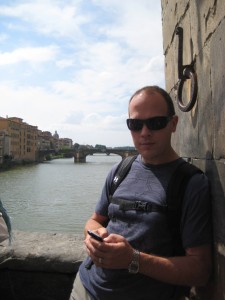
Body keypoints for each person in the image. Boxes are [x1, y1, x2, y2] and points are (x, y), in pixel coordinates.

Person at [70, 86, 212, 300]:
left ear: (173, 124)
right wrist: (94, 237)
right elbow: (94, 221)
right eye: (135, 124)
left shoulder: (191, 183)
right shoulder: (120, 170)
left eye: (155, 123)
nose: (144, 132)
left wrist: (132, 259)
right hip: (85, 288)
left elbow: (200, 271)